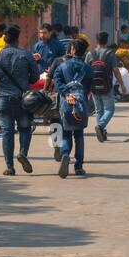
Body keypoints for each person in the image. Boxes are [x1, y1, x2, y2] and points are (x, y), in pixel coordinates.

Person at [0, 25, 38, 175]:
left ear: (4, 38)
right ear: (18, 38)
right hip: (23, 99)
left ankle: (9, 167)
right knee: (25, 129)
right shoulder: (26, 55)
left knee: (7, 132)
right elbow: (35, 77)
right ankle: (23, 153)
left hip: (3, 100)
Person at [52, 39, 92, 177]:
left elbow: (56, 82)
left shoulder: (62, 66)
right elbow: (89, 86)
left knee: (66, 132)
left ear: (73, 49)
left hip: (66, 103)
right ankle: (79, 166)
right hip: (81, 104)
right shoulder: (88, 68)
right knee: (79, 135)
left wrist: (66, 93)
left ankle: (64, 154)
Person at [87, 32, 124, 142]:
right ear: (106, 41)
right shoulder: (110, 54)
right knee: (110, 109)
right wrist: (122, 84)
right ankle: (101, 125)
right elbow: (116, 71)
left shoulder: (90, 54)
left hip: (93, 86)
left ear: (96, 40)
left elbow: (85, 70)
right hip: (106, 86)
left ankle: (101, 132)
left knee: (99, 110)